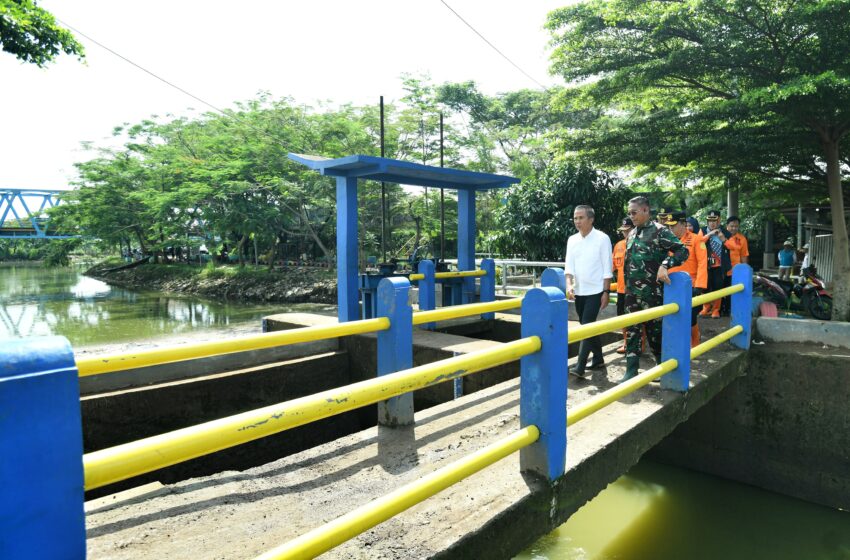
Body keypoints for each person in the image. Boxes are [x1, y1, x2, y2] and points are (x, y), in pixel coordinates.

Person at [622, 197, 689, 382]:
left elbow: (682, 251)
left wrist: (666, 265)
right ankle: (631, 371)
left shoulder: (660, 231)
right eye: (629, 213)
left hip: (652, 293)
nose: (631, 216)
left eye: (634, 212)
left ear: (645, 210)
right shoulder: (633, 233)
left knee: (655, 333)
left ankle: (661, 367)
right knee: (632, 331)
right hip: (631, 293)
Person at [565, 205, 613, 377]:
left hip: (596, 291)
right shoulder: (572, 240)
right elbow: (569, 266)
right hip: (579, 291)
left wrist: (606, 292)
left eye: (581, 218)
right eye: (575, 218)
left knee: (586, 326)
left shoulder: (602, 238)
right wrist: (569, 284)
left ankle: (580, 365)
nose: (577, 221)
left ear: (591, 219)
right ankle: (598, 358)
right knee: (587, 325)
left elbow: (608, 268)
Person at [660, 210, 707, 348]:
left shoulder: (696, 239)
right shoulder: (667, 241)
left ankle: (695, 339)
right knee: (673, 315)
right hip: (671, 284)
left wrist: (699, 286)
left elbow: (703, 263)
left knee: (690, 316)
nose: (670, 228)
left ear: (683, 224)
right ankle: (678, 342)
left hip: (691, 284)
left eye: (673, 225)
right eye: (668, 226)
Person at [699, 210, 731, 318]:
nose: (712, 223)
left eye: (715, 220)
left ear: (719, 220)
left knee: (718, 287)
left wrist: (723, 239)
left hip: (719, 265)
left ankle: (716, 310)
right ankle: (706, 307)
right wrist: (709, 234)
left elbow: (732, 247)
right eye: (710, 221)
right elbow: (698, 242)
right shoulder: (702, 231)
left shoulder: (725, 232)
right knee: (705, 287)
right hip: (706, 265)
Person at [612, 217, 634, 353]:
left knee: (637, 318)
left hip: (636, 289)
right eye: (623, 231)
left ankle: (640, 344)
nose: (625, 234)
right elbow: (612, 266)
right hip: (621, 289)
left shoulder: (640, 244)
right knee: (622, 317)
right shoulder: (619, 245)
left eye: (628, 230)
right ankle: (626, 343)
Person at [721, 215, 749, 314]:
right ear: (727, 226)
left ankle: (728, 310)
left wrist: (745, 271)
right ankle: (718, 310)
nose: (734, 228)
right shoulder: (720, 235)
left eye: (736, 226)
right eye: (732, 226)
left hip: (734, 270)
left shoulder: (742, 239)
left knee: (731, 292)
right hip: (720, 269)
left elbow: (744, 255)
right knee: (719, 290)